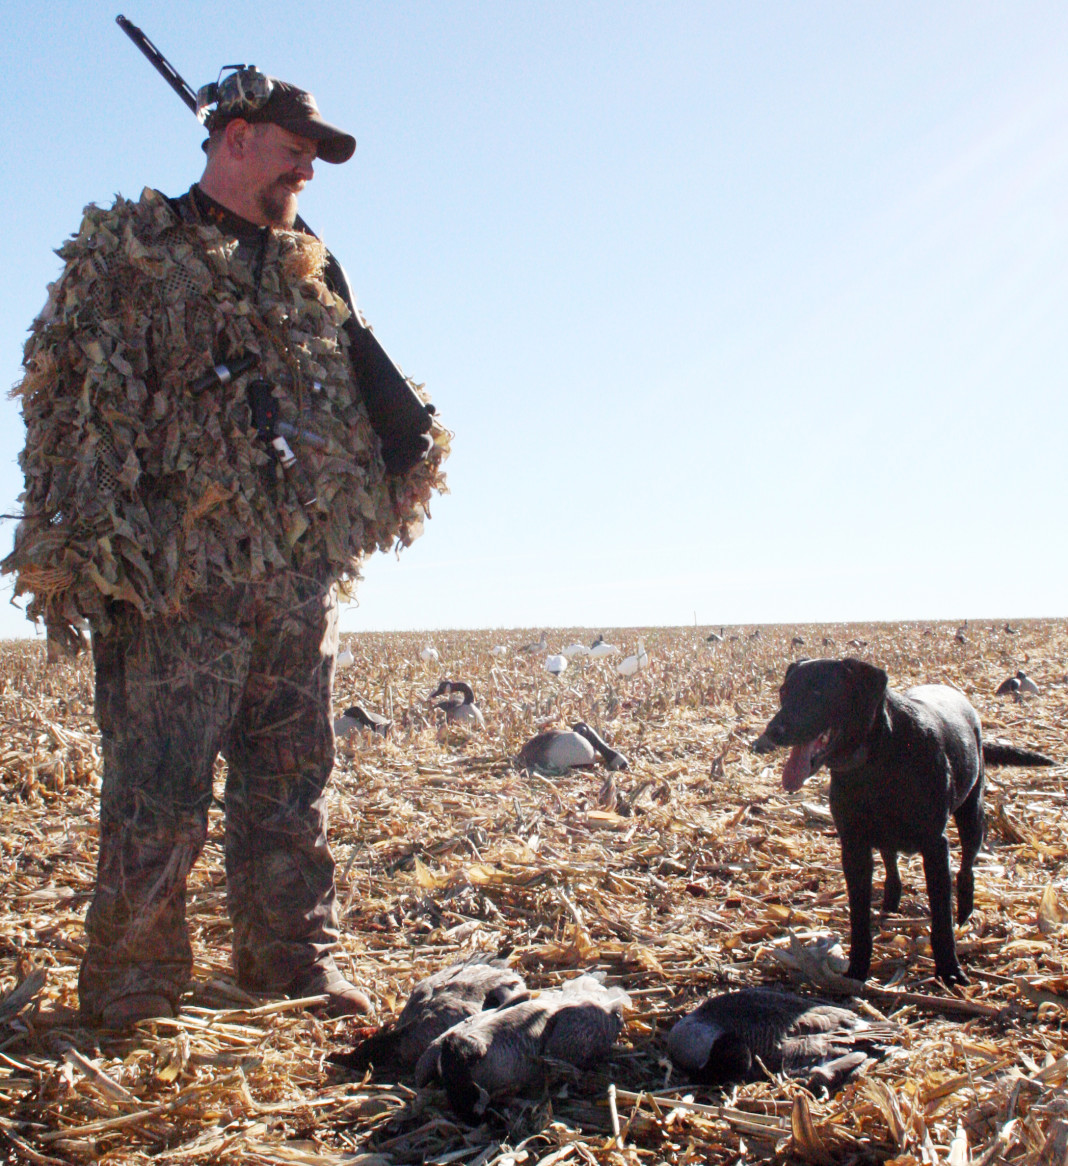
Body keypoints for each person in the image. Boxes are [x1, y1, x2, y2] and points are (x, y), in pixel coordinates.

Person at [4, 71, 448, 1026]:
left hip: (297, 577)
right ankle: (135, 987)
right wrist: (81, 548)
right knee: (157, 788)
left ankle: (288, 964)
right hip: (174, 577)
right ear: (234, 137)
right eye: (296, 149)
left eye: (316, 157)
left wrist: (396, 467)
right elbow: (75, 399)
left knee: (292, 780)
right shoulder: (133, 248)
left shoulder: (311, 263)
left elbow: (362, 390)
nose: (308, 170)